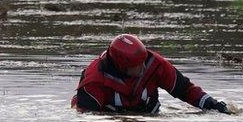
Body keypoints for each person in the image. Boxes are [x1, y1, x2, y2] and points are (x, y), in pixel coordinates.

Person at [72, 33, 230, 114]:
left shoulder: (154, 64)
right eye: (136, 65)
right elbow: (87, 118)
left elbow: (185, 89)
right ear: (121, 65)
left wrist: (213, 104)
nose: (143, 67)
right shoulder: (94, 81)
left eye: (143, 60)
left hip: (148, 117)